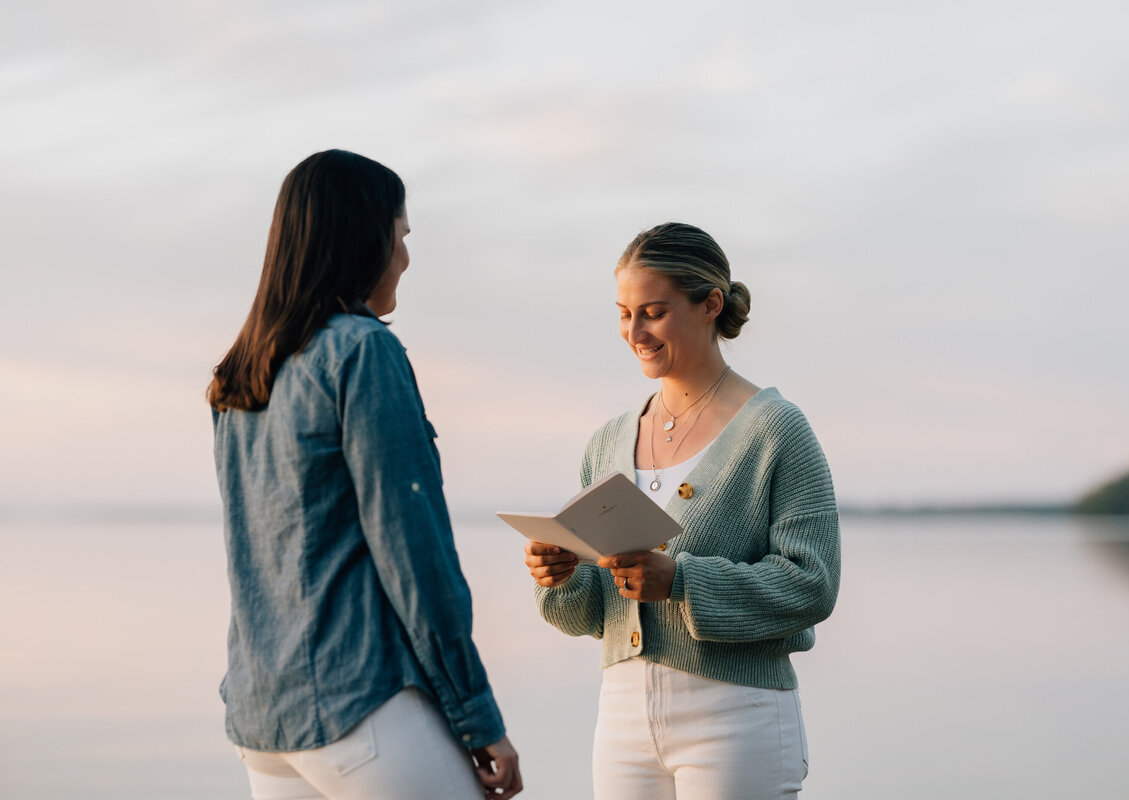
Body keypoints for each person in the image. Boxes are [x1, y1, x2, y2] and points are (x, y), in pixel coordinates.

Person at [208, 149, 522, 800]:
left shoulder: (240, 375)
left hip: (265, 721)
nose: (405, 257)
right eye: (402, 236)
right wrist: (476, 713)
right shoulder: (361, 349)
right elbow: (415, 553)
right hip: (361, 707)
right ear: (365, 237)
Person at [524, 222, 840, 800]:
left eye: (653, 312)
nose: (634, 332)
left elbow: (814, 585)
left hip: (737, 716)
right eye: (624, 313)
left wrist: (682, 580)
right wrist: (562, 578)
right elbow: (593, 613)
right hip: (621, 717)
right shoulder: (609, 441)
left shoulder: (776, 429)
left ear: (710, 305)